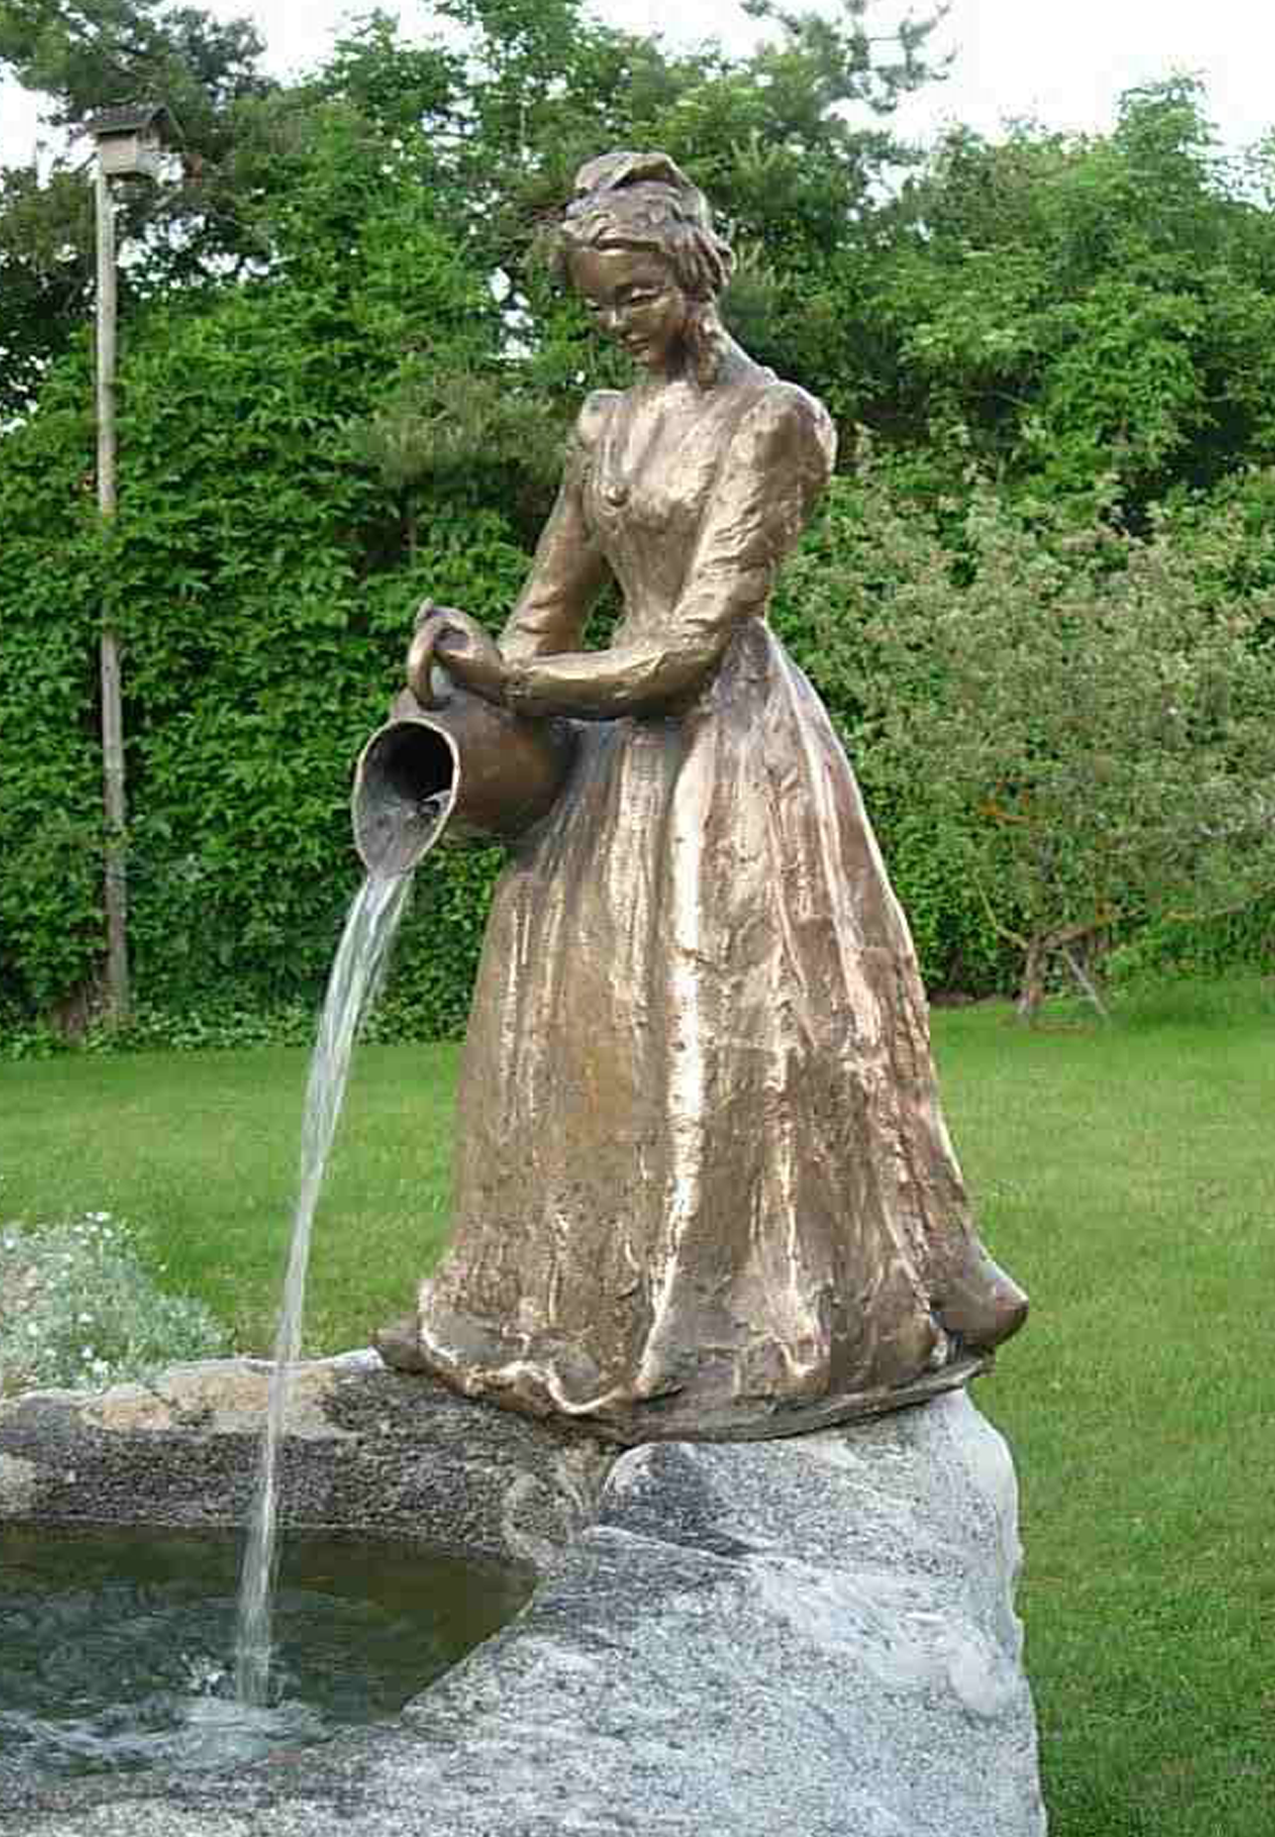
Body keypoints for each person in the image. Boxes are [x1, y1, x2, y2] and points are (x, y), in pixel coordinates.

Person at [400, 149, 1026, 1441]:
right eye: (596, 306)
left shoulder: (773, 420)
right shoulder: (601, 426)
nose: (619, 323)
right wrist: (476, 687)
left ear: (691, 271)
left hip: (727, 758)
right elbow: (543, 607)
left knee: (725, 1035)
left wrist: (517, 672)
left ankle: (721, 1326)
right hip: (602, 767)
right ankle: (547, 1311)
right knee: (572, 1037)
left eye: (635, 293)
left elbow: (689, 644)